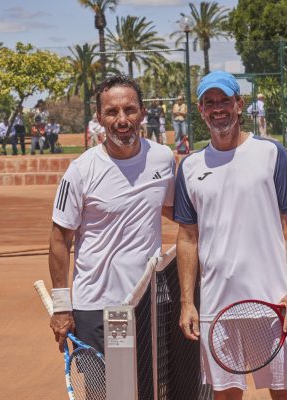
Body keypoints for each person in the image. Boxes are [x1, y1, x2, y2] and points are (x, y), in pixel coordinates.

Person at [174, 71, 287, 400]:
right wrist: (187, 302)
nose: (217, 109)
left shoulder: (271, 153)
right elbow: (187, 238)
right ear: (201, 110)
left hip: (273, 303)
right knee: (225, 396)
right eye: (209, 103)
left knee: (286, 393)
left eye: (224, 101)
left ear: (239, 104)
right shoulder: (190, 167)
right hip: (216, 308)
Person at [48, 75, 176, 357]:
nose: (122, 120)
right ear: (99, 118)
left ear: (142, 112)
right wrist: (61, 305)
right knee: (103, 393)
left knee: (148, 390)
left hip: (147, 303)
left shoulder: (163, 158)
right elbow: (60, 239)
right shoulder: (81, 171)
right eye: (111, 112)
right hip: (97, 306)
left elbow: (169, 207)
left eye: (129, 109)